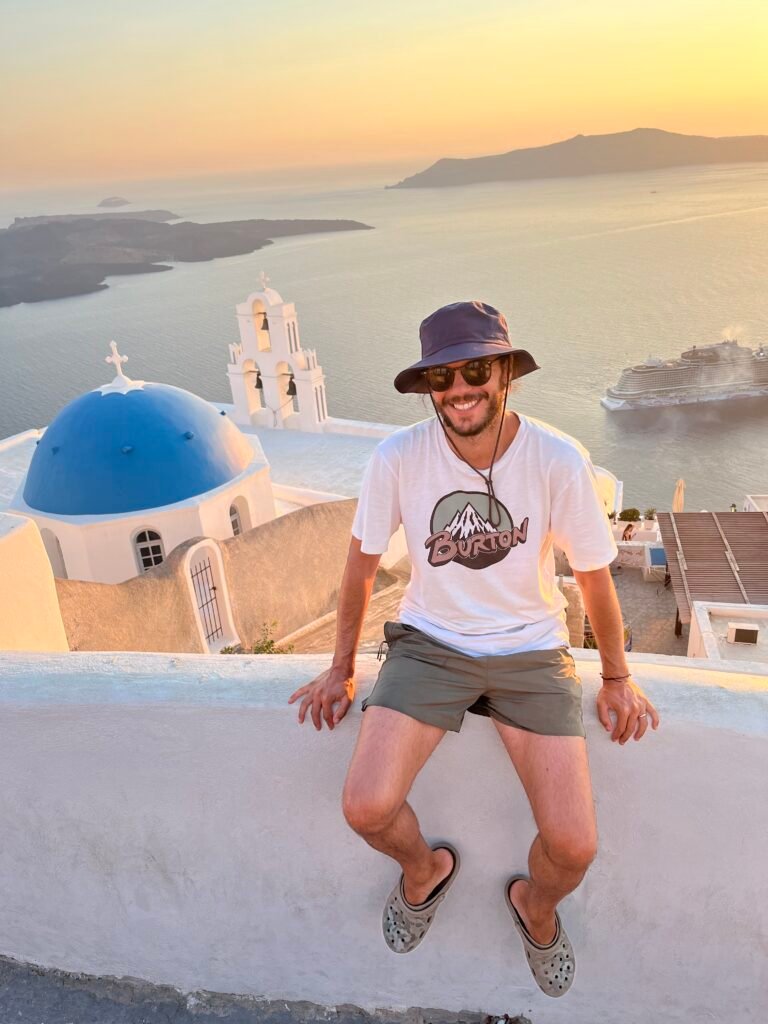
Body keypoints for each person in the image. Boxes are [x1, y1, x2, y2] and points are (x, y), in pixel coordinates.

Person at [289, 301, 660, 998]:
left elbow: (592, 575)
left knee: (575, 846)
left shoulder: (556, 458)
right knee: (366, 807)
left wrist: (616, 676)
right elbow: (361, 567)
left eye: (476, 369)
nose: (460, 388)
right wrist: (340, 670)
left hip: (532, 652)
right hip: (430, 645)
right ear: (429, 386)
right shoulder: (396, 458)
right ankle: (423, 870)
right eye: (443, 376)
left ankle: (536, 906)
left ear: (506, 374)